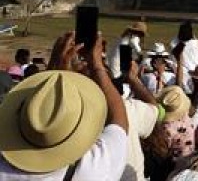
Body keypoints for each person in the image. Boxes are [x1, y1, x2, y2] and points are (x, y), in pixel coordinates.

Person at [0, 30, 129, 180]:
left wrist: (52, 80)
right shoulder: (92, 170)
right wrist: (97, 64)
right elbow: (119, 121)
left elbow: (42, 108)